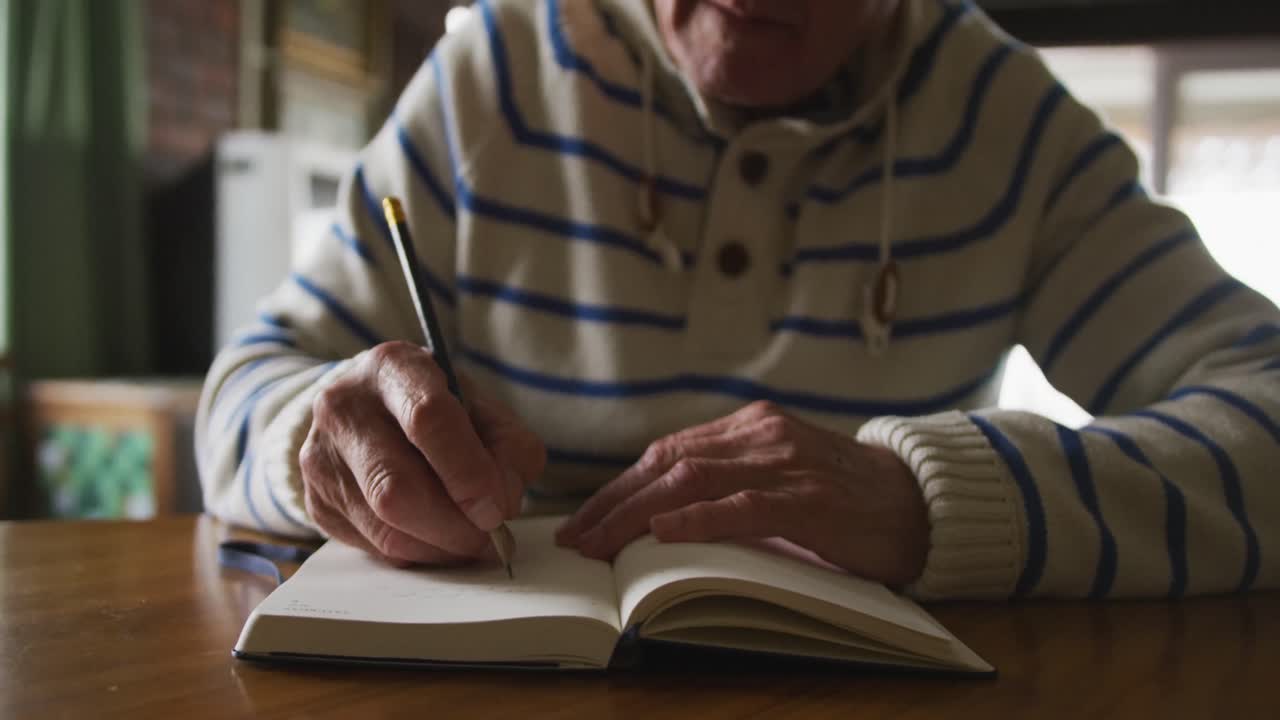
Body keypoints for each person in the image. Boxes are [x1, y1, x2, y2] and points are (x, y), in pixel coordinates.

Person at [196, 0, 1279, 598]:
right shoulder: (491, 78)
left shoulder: (1002, 120)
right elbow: (244, 391)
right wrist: (330, 449)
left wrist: (936, 498)